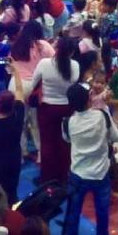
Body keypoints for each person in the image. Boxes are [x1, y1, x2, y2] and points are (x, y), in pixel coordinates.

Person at [62, 83, 118, 235]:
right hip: (100, 174)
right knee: (102, 213)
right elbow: (115, 136)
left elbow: (67, 139)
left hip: (77, 174)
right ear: (88, 99)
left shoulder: (67, 122)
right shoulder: (102, 115)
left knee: (73, 211)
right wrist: (104, 106)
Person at [29, 35, 79, 185]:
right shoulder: (75, 66)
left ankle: (46, 178)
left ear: (57, 48)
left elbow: (33, 83)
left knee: (47, 144)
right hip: (67, 109)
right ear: (71, 52)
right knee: (64, 143)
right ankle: (62, 177)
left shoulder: (44, 64)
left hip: (47, 108)